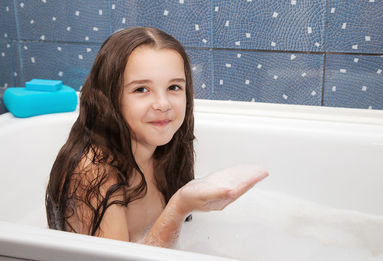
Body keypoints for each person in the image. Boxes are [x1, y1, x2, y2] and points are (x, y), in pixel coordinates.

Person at [45, 27, 268, 247]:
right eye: (141, 89)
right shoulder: (94, 168)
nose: (163, 104)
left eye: (174, 87)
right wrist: (180, 205)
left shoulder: (166, 149)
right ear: (110, 98)